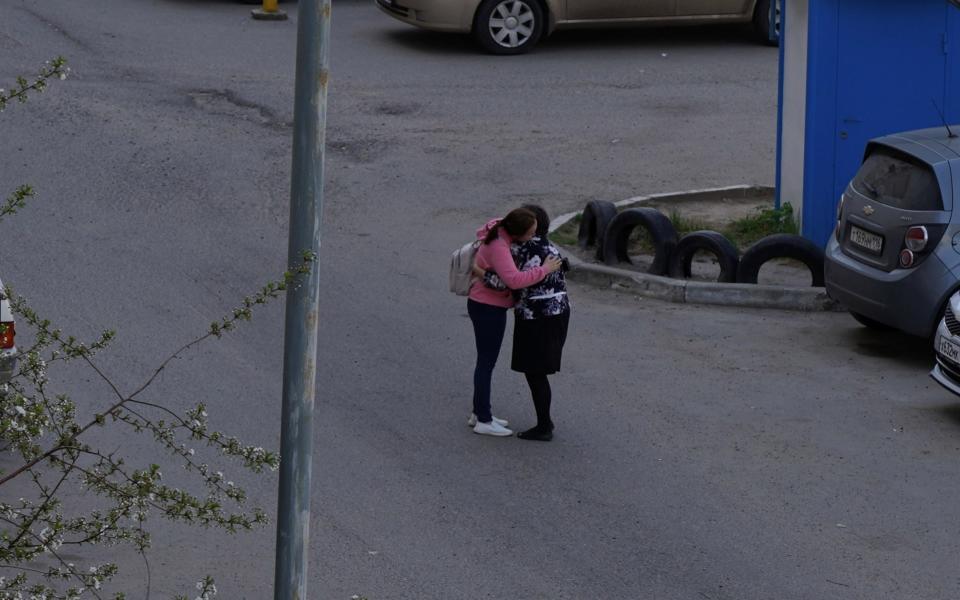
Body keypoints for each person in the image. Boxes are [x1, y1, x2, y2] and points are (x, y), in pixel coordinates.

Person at [467, 208, 563, 437]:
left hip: (486, 304)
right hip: (488, 307)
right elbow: (513, 281)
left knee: (485, 361)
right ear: (517, 232)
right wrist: (545, 269)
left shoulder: (500, 233)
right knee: (486, 363)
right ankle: (483, 419)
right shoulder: (500, 246)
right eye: (529, 234)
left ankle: (479, 411)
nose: (532, 237)